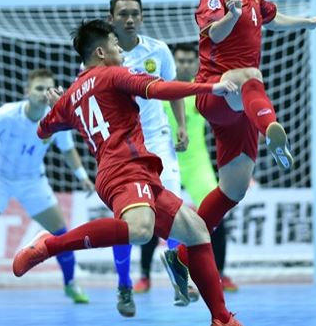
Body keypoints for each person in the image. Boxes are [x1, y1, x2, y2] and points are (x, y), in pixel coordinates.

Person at [12, 19, 243, 326]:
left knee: (197, 231)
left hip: (135, 171)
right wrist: (209, 87)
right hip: (124, 170)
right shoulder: (113, 74)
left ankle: (222, 319)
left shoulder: (72, 94)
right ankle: (50, 245)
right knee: (141, 230)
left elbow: (43, 130)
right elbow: (158, 88)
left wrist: (64, 106)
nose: (121, 50)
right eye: (115, 45)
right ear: (100, 52)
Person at [163, 0, 316, 290]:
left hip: (240, 109)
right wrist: (232, 15)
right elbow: (213, 34)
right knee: (249, 74)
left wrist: (309, 22)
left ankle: (181, 256)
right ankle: (271, 128)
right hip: (215, 91)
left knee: (233, 190)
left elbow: (274, 19)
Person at [0, 68, 94, 306]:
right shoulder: (7, 114)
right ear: (27, 91)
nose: (44, 93)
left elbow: (68, 150)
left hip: (33, 181)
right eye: (39, 88)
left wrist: (82, 176)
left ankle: (71, 284)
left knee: (62, 233)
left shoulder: (56, 118)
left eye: (48, 88)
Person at [106, 0, 195, 315]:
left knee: (173, 206)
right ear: (111, 19)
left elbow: (172, 89)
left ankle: (179, 278)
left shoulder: (158, 50)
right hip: (120, 147)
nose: (130, 19)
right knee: (124, 221)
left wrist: (181, 125)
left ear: (141, 17)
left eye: (135, 14)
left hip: (157, 139)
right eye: (123, 14)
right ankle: (124, 285)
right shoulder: (102, 57)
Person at [134, 43, 237, 294]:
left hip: (196, 164)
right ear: (172, 62)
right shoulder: (158, 90)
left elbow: (227, 119)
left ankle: (221, 273)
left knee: (217, 217)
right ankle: (145, 275)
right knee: (153, 217)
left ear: (197, 64)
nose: (185, 65)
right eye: (180, 60)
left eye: (190, 61)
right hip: (163, 161)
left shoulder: (203, 91)